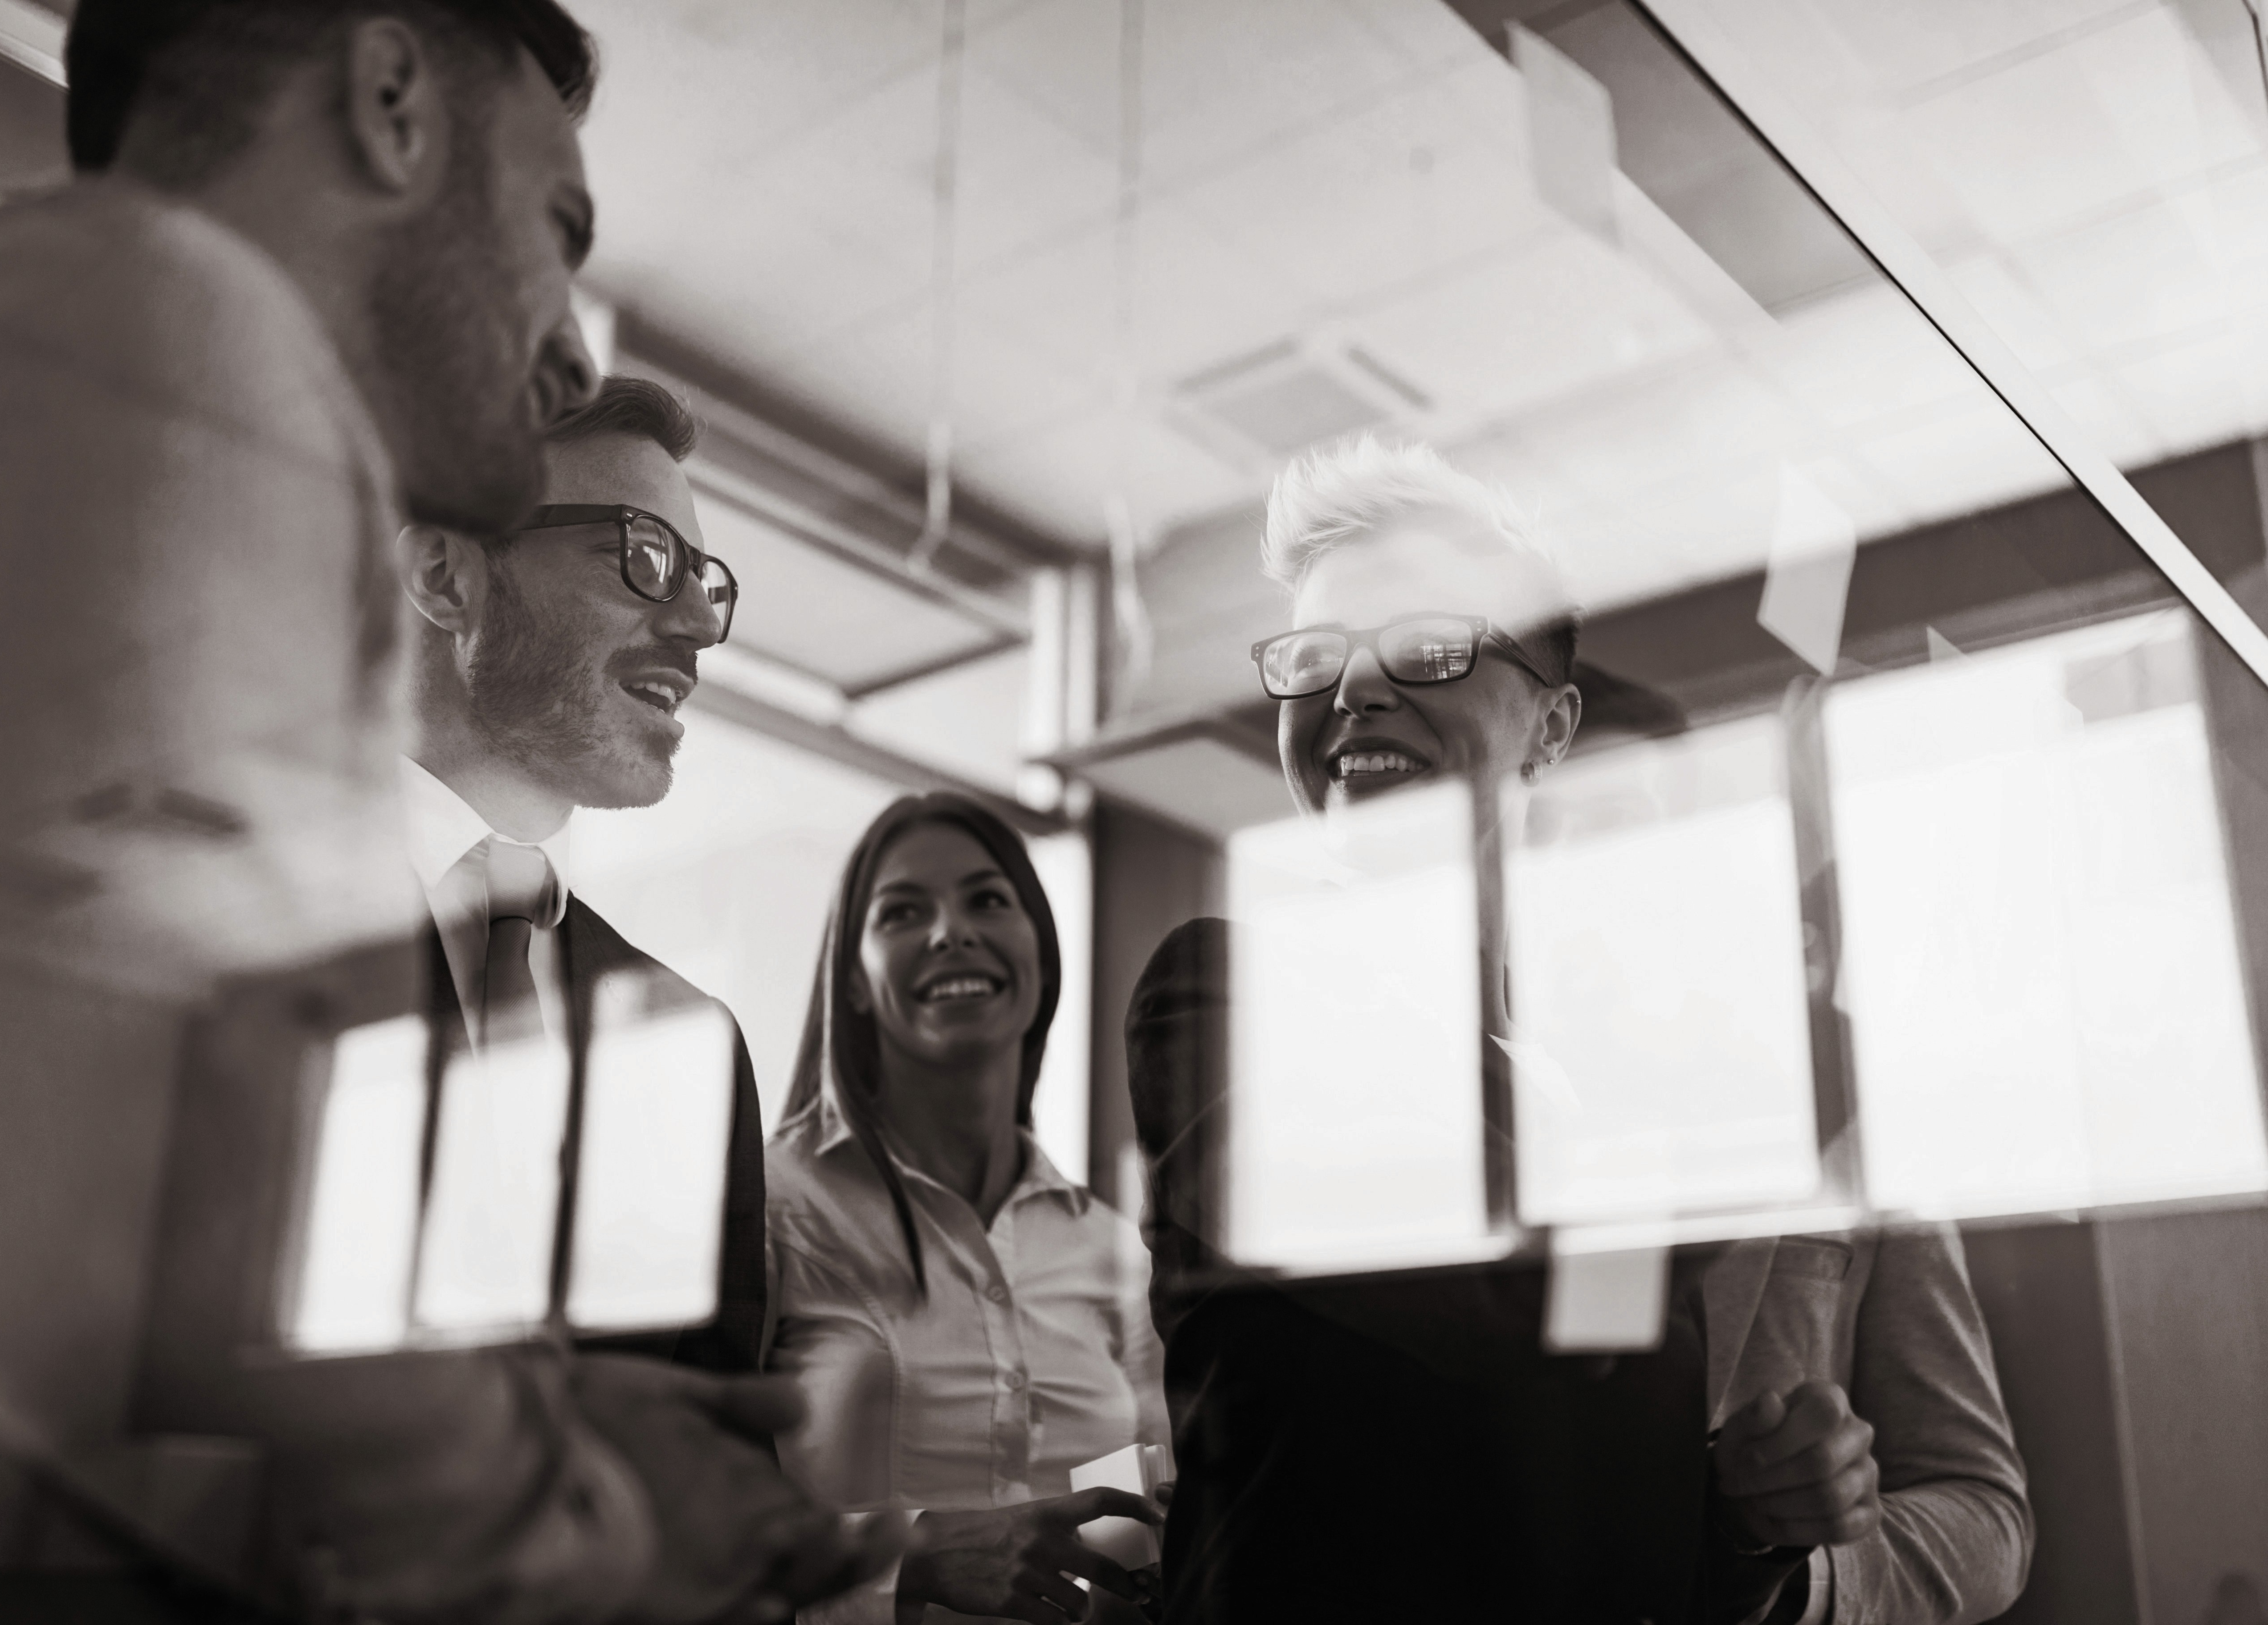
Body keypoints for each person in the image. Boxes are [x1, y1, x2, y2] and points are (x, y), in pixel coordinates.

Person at [0, 4, 871, 1618]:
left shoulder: (34, 370)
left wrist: (536, 1420)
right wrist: (592, 1514)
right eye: (557, 226)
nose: (572, 350)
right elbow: (58, 1291)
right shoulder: (148, 349)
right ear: (389, 104)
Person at [1126, 436, 2032, 1625]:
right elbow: (1504, 1303)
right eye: (1313, 656)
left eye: (1424, 642)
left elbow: (1604, 1515)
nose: (1352, 687)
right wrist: (1825, 1050)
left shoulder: (1582, 1098)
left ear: (1549, 730)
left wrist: (1757, 1532)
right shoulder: (1227, 997)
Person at [386, 372, 897, 1619]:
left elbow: (708, 1484)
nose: (698, 628)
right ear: (447, 575)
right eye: (644, 555)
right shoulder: (206, 917)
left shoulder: (689, 1039)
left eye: (704, 584)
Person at [770, 794, 1169, 1625]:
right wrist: (908, 1561)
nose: (951, 931)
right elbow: (669, 1526)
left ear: (1041, 954)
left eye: (988, 899)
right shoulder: (771, 1207)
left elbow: (1164, 1516)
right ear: (852, 974)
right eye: (902, 912)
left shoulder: (1110, 1247)